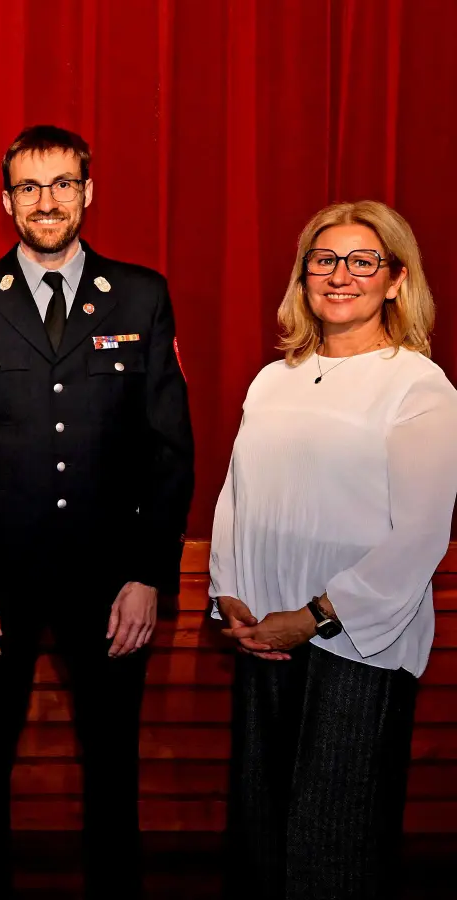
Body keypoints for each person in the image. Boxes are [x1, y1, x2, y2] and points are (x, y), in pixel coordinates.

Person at [0, 125, 194, 899]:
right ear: (6, 200)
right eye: (30, 187)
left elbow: (171, 450)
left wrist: (149, 574)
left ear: (88, 192)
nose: (47, 201)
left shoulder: (141, 294)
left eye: (63, 184)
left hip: (110, 584)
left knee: (112, 760)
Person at [210, 200, 457, 900]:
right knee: (261, 842)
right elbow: (238, 496)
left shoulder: (417, 385)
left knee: (333, 850)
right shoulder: (274, 379)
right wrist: (229, 594)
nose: (340, 276)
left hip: (355, 648)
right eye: (324, 260)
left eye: (361, 261)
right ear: (304, 275)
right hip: (265, 638)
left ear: (396, 280)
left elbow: (418, 535)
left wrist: (317, 614)